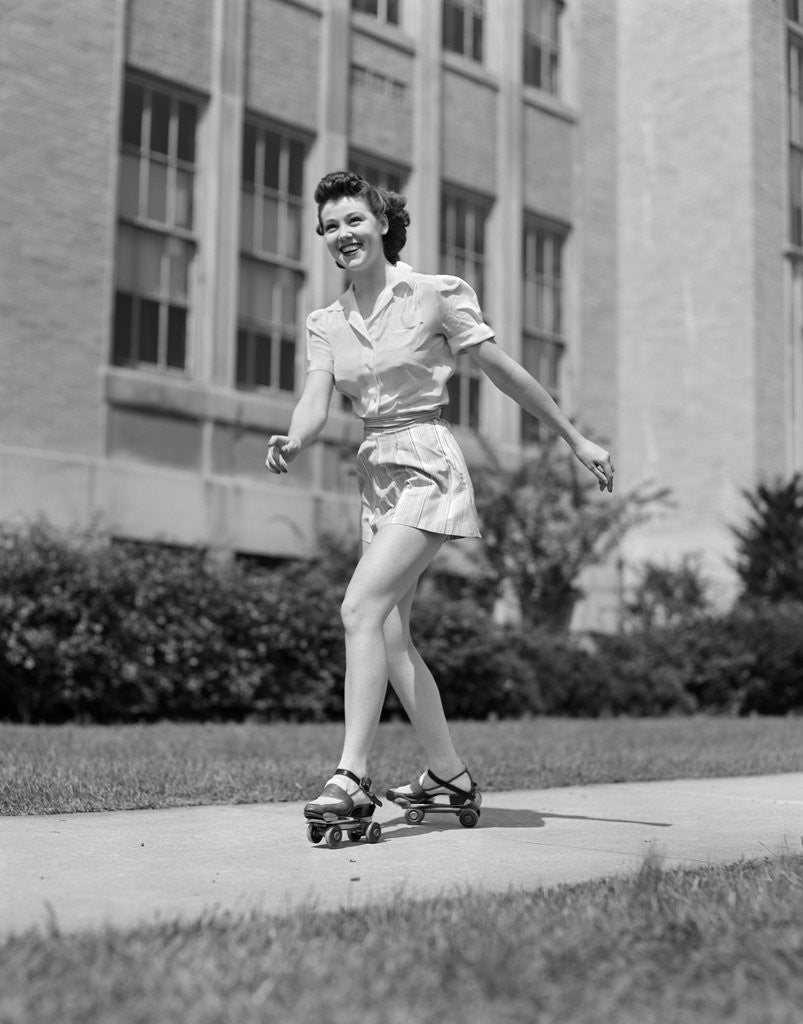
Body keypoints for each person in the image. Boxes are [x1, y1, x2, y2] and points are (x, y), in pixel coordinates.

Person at [266, 170, 614, 826]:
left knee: (359, 609)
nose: (343, 234)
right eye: (331, 225)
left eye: (353, 221)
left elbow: (501, 369)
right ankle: (449, 776)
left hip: (427, 462)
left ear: (382, 224)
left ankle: (352, 775)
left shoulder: (432, 295)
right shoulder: (327, 322)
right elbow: (314, 401)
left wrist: (574, 439)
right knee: (391, 635)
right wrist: (294, 437)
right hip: (376, 473)